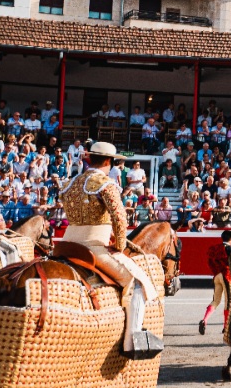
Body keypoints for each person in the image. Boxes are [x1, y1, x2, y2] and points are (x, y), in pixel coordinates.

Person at [57, 142, 161, 359]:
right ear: (108, 161)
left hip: (65, 244)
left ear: (89, 159)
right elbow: (119, 217)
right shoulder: (105, 184)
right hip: (92, 246)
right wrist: (120, 246)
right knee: (137, 283)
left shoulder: (70, 183)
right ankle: (132, 342)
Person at [199, 230, 231, 335]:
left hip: (217, 276)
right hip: (226, 276)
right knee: (228, 302)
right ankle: (226, 327)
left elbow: (210, 262)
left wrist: (216, 272)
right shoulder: (230, 250)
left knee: (215, 301)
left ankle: (205, 320)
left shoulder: (214, 248)